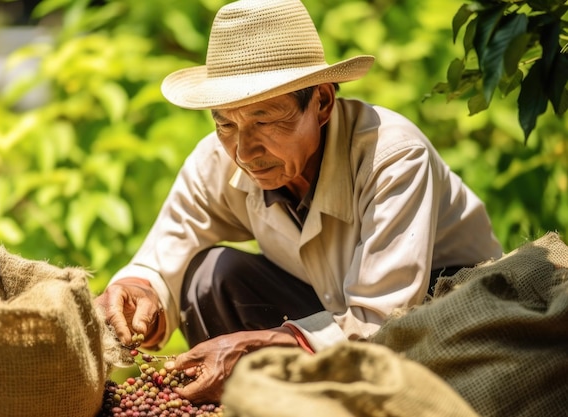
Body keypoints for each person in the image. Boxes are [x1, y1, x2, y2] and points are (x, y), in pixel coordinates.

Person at [94, 0, 503, 404]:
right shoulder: (216, 159)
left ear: (322, 102)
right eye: (225, 124)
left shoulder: (391, 155)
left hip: (436, 328)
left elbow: (386, 322)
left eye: (265, 120)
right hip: (330, 317)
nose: (244, 150)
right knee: (210, 276)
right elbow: (165, 253)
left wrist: (260, 347)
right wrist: (137, 292)